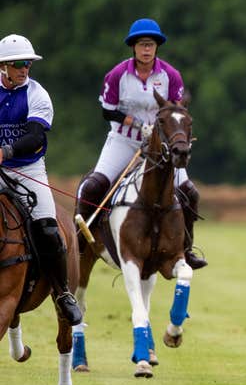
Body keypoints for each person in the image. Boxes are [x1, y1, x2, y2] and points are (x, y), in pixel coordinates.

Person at [75, 18, 207, 270]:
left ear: (156, 47)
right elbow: (108, 111)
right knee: (93, 186)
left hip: (161, 145)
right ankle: (80, 240)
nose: (147, 49)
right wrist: (136, 124)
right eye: (142, 44)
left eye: (151, 44)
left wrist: (161, 132)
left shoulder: (171, 76)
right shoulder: (117, 75)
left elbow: (176, 110)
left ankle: (186, 249)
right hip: (123, 141)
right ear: (133, 47)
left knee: (190, 192)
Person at [0, 34, 83, 325]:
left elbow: (35, 136)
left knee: (48, 226)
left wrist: (5, 151)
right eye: (19, 64)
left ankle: (62, 292)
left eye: (28, 64)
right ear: (3, 67)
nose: (25, 69)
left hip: (28, 170)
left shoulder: (37, 94)